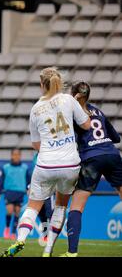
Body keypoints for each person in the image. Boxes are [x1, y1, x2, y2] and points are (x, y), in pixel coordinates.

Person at [2, 67, 91, 257]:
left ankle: (20, 240)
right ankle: (48, 249)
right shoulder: (68, 100)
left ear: (42, 84)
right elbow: (86, 124)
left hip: (45, 164)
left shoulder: (35, 109)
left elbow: (36, 144)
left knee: (33, 206)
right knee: (60, 206)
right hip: (70, 164)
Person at [60, 81, 122, 257]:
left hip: (91, 159)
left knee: (77, 206)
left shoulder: (71, 114)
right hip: (112, 154)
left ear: (73, 95)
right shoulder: (98, 111)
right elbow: (116, 137)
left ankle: (72, 252)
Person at [0, 149, 30, 240]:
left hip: (20, 192)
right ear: (11, 156)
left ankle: (14, 232)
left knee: (17, 212)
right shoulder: (6, 167)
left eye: (18, 154)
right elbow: (1, 180)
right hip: (9, 191)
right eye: (14, 154)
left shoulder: (25, 167)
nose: (16, 156)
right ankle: (7, 228)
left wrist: (28, 189)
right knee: (9, 211)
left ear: (20, 156)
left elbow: (28, 181)